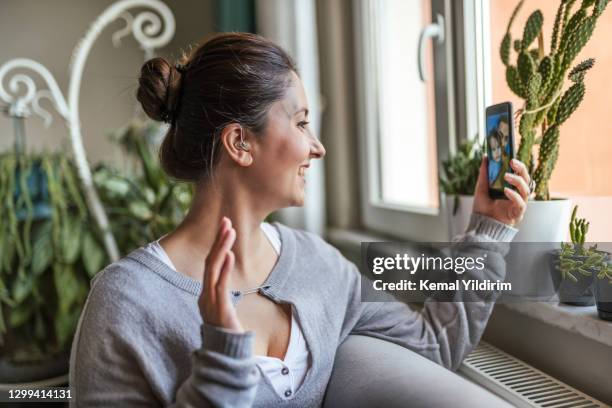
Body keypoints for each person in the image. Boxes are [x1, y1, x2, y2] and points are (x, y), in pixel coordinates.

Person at [69, 33, 531, 407]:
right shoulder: (125, 305)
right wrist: (220, 363)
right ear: (239, 143)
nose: (318, 146)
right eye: (302, 122)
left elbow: (434, 346)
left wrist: (488, 230)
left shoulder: (319, 265)